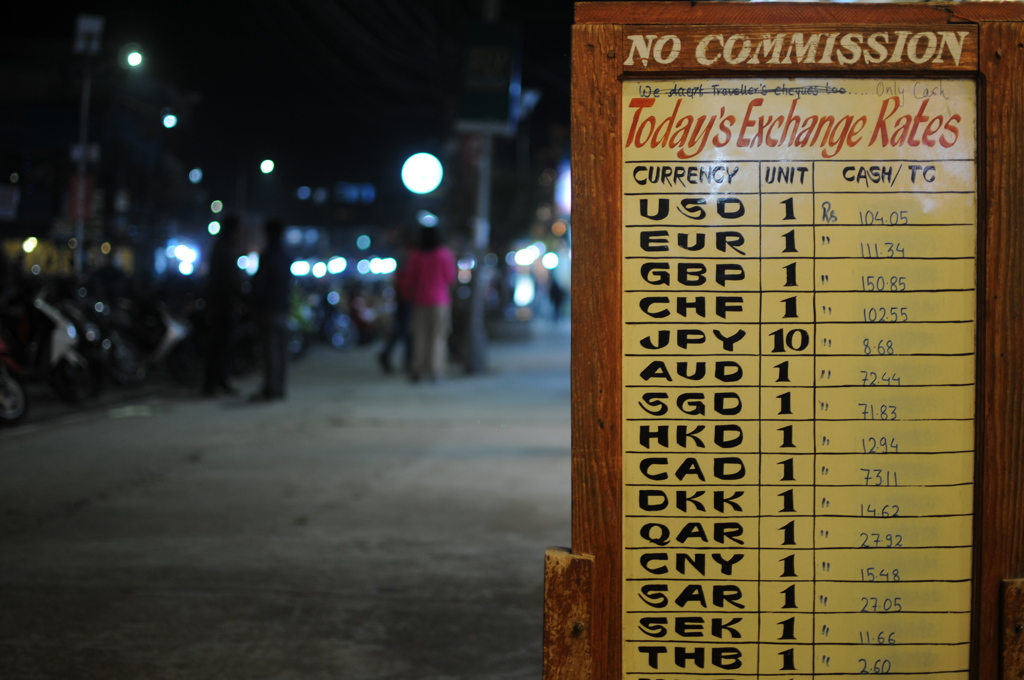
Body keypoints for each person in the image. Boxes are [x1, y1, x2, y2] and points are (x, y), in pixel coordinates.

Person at [404, 226, 455, 382]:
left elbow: (410, 279)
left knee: (419, 336)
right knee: (437, 336)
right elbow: (450, 277)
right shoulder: (444, 254)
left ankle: (417, 369)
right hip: (440, 301)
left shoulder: (416, 256)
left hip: (420, 301)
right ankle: (435, 370)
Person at [249, 218, 292, 401]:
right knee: (281, 351)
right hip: (282, 307)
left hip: (268, 309)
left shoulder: (268, 256)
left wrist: (253, 304)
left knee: (270, 351)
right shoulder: (286, 256)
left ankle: (270, 388)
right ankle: (279, 387)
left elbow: (259, 285)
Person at [202, 215, 244, 396]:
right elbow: (231, 281)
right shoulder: (225, 250)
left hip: (219, 304)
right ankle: (212, 384)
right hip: (223, 306)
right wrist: (244, 299)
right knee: (220, 346)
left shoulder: (221, 248)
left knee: (219, 346)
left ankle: (217, 382)